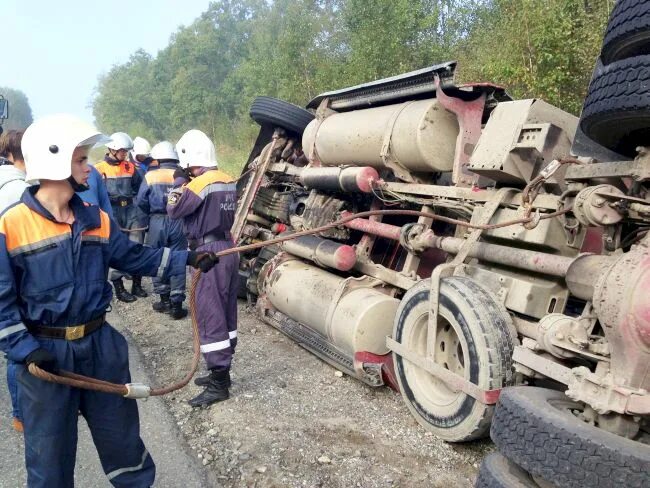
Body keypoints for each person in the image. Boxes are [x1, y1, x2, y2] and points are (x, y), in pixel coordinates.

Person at [0, 114, 218, 487]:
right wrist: (26, 350)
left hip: (101, 349)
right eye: (81, 159)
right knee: (49, 459)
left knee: (123, 444)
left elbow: (134, 258)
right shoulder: (12, 225)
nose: (90, 169)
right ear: (53, 160)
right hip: (45, 357)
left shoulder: (96, 219)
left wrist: (187, 259)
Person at [167, 129, 239, 407]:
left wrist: (178, 181)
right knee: (226, 310)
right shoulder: (226, 178)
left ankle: (218, 383)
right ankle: (222, 372)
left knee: (210, 313)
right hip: (228, 248)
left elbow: (173, 208)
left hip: (207, 253)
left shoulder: (199, 184)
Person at [136, 141, 188, 319]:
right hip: (179, 220)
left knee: (157, 258)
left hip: (157, 220)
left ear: (156, 158)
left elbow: (142, 200)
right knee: (179, 257)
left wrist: (147, 221)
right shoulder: (183, 174)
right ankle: (177, 304)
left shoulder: (150, 176)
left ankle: (164, 299)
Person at [0, 129, 30, 433]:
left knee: (12, 344)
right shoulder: (23, 189)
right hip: (18, 272)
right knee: (21, 345)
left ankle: (20, 413)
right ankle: (24, 411)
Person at [94, 132, 148, 302]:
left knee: (137, 244)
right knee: (115, 247)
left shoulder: (131, 167)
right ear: (112, 149)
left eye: (126, 151)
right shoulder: (98, 169)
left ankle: (137, 284)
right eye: (123, 151)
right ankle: (119, 288)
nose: (125, 154)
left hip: (131, 210)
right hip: (112, 211)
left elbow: (140, 188)